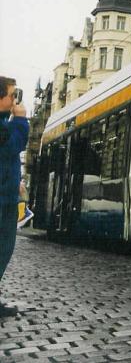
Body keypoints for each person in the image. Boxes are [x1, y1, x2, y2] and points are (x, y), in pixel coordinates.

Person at [0, 76, 29, 317]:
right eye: (11, 95)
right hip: (2, 200)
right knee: (3, 247)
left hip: (5, 195)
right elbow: (14, 145)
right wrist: (20, 119)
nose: (14, 99)